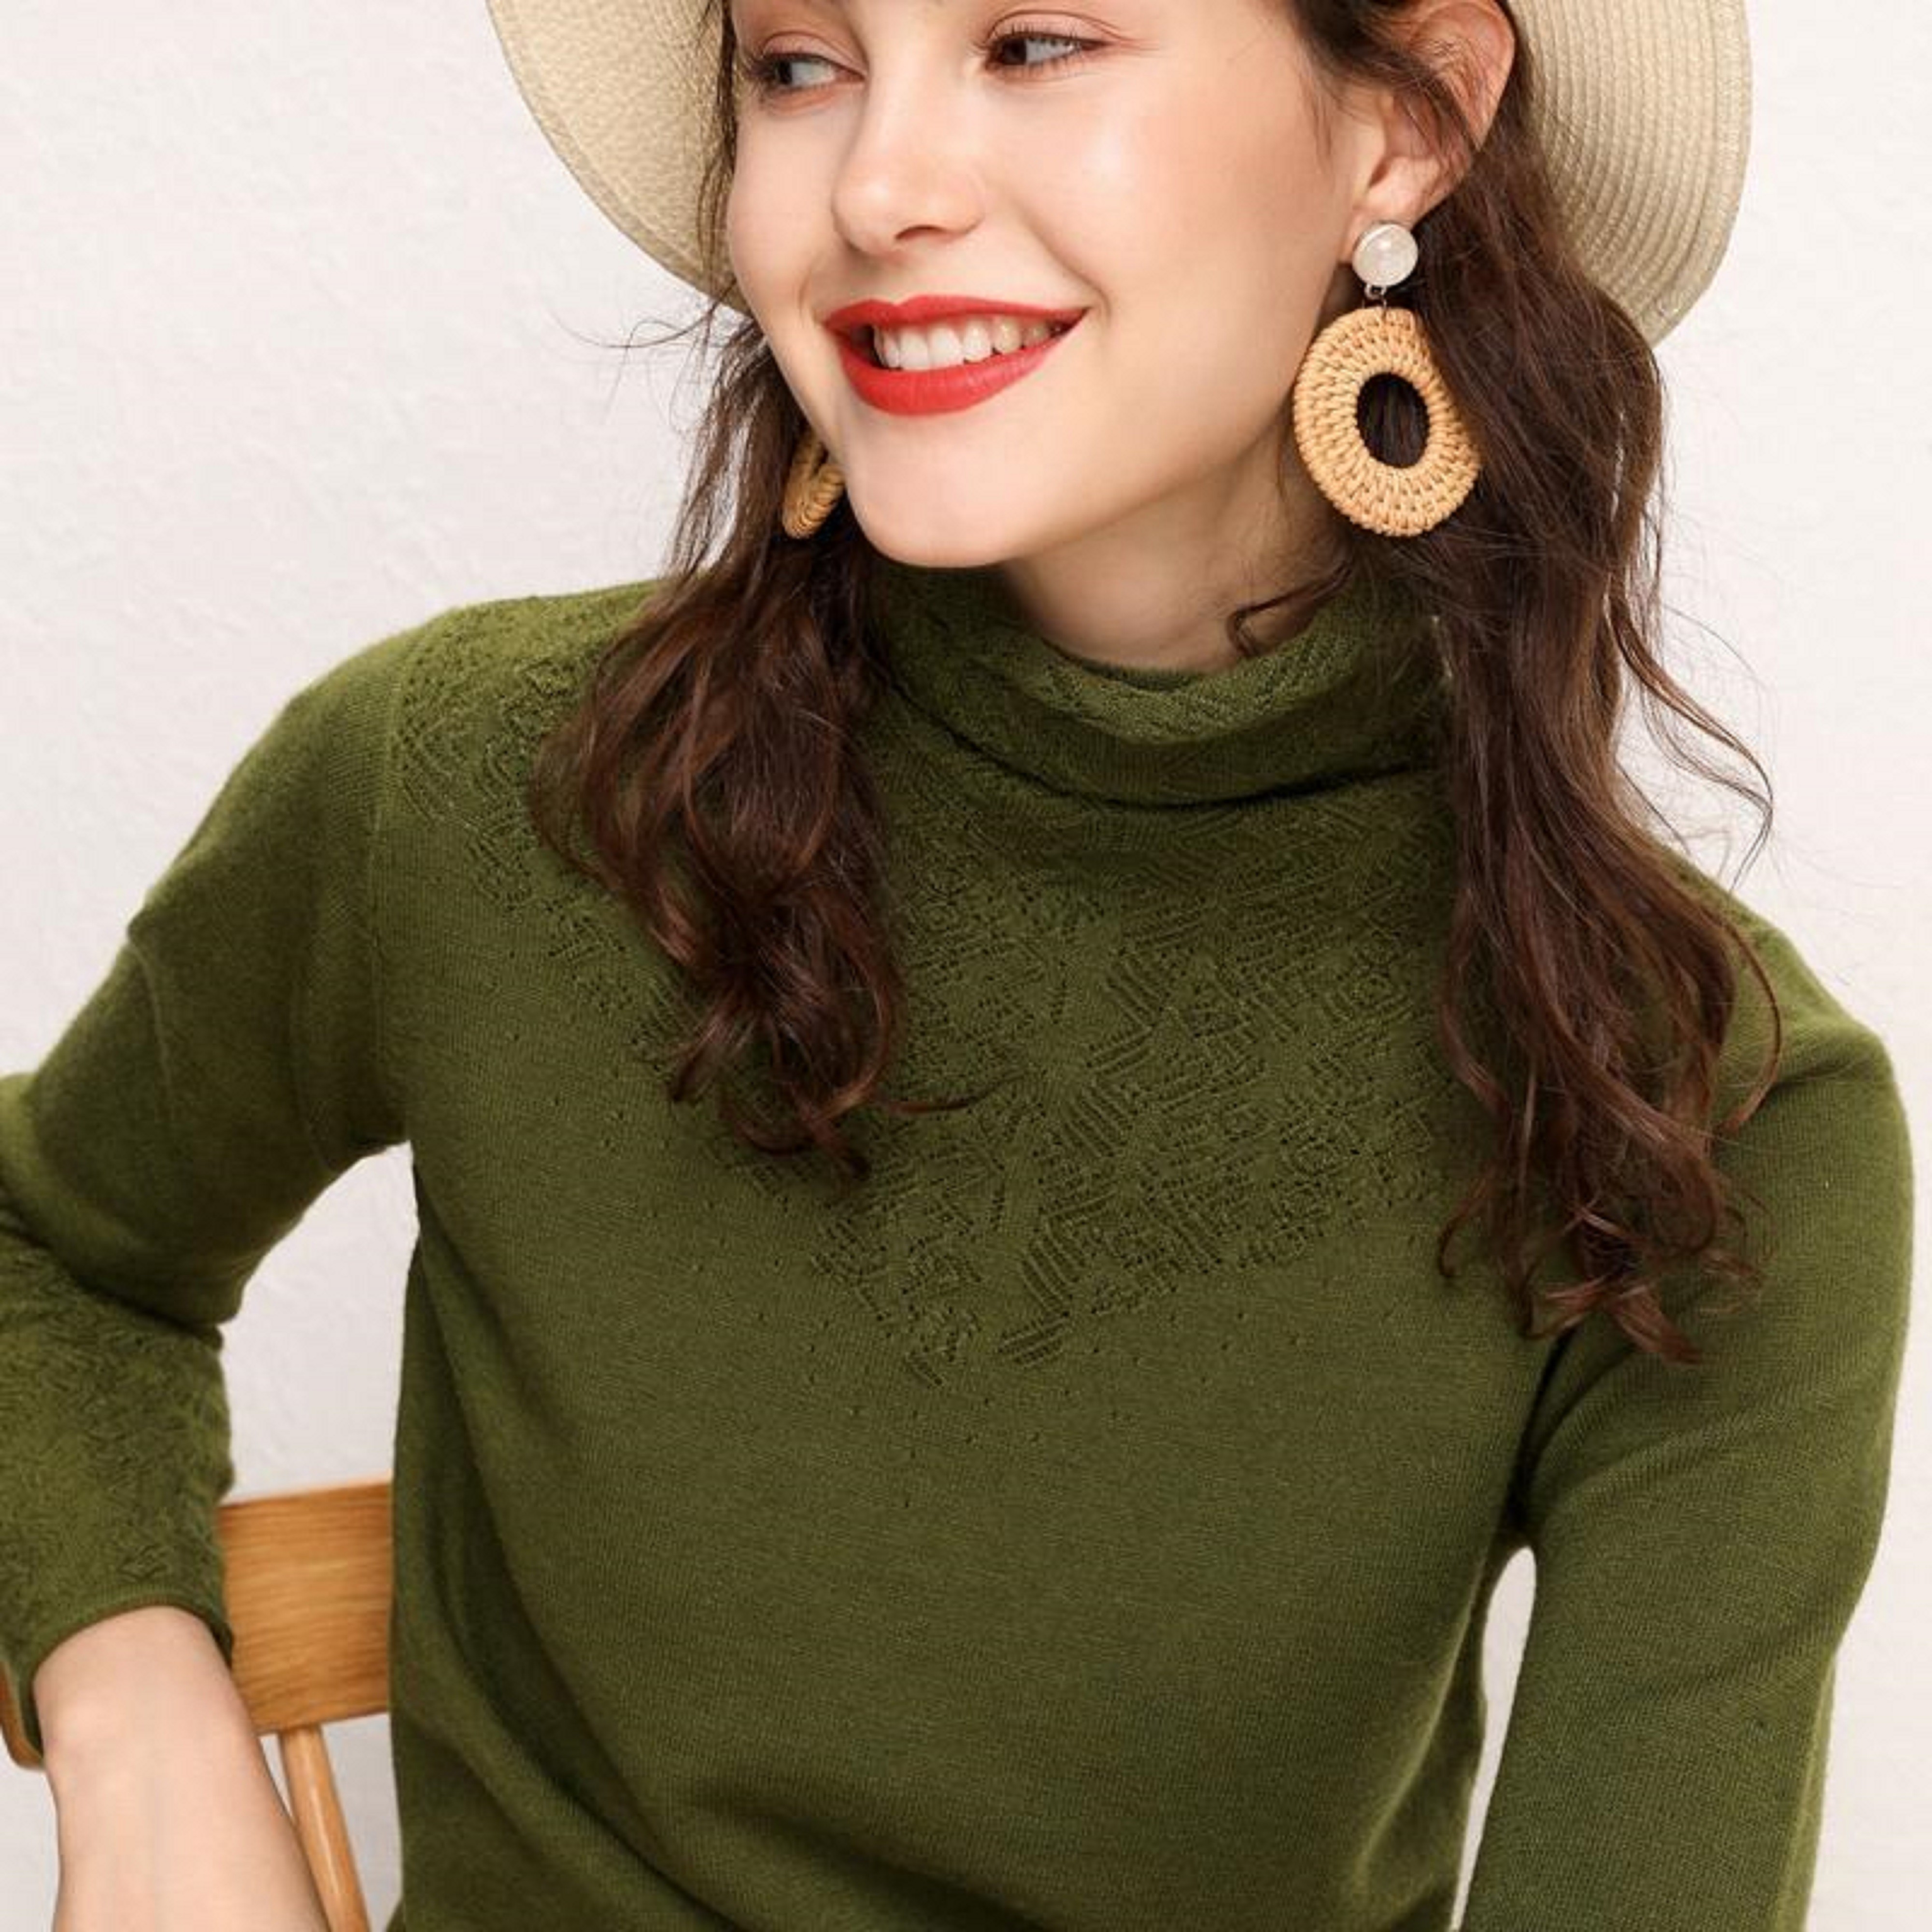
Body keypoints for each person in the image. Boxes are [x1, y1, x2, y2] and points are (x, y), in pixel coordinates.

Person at [1, 0, 1913, 1928]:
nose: (880, 189)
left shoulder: (1713, 1112)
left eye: (1035, 43)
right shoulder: (476, 790)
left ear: (1408, 122)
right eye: (797, 66)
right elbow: (52, 1244)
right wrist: (144, 1732)